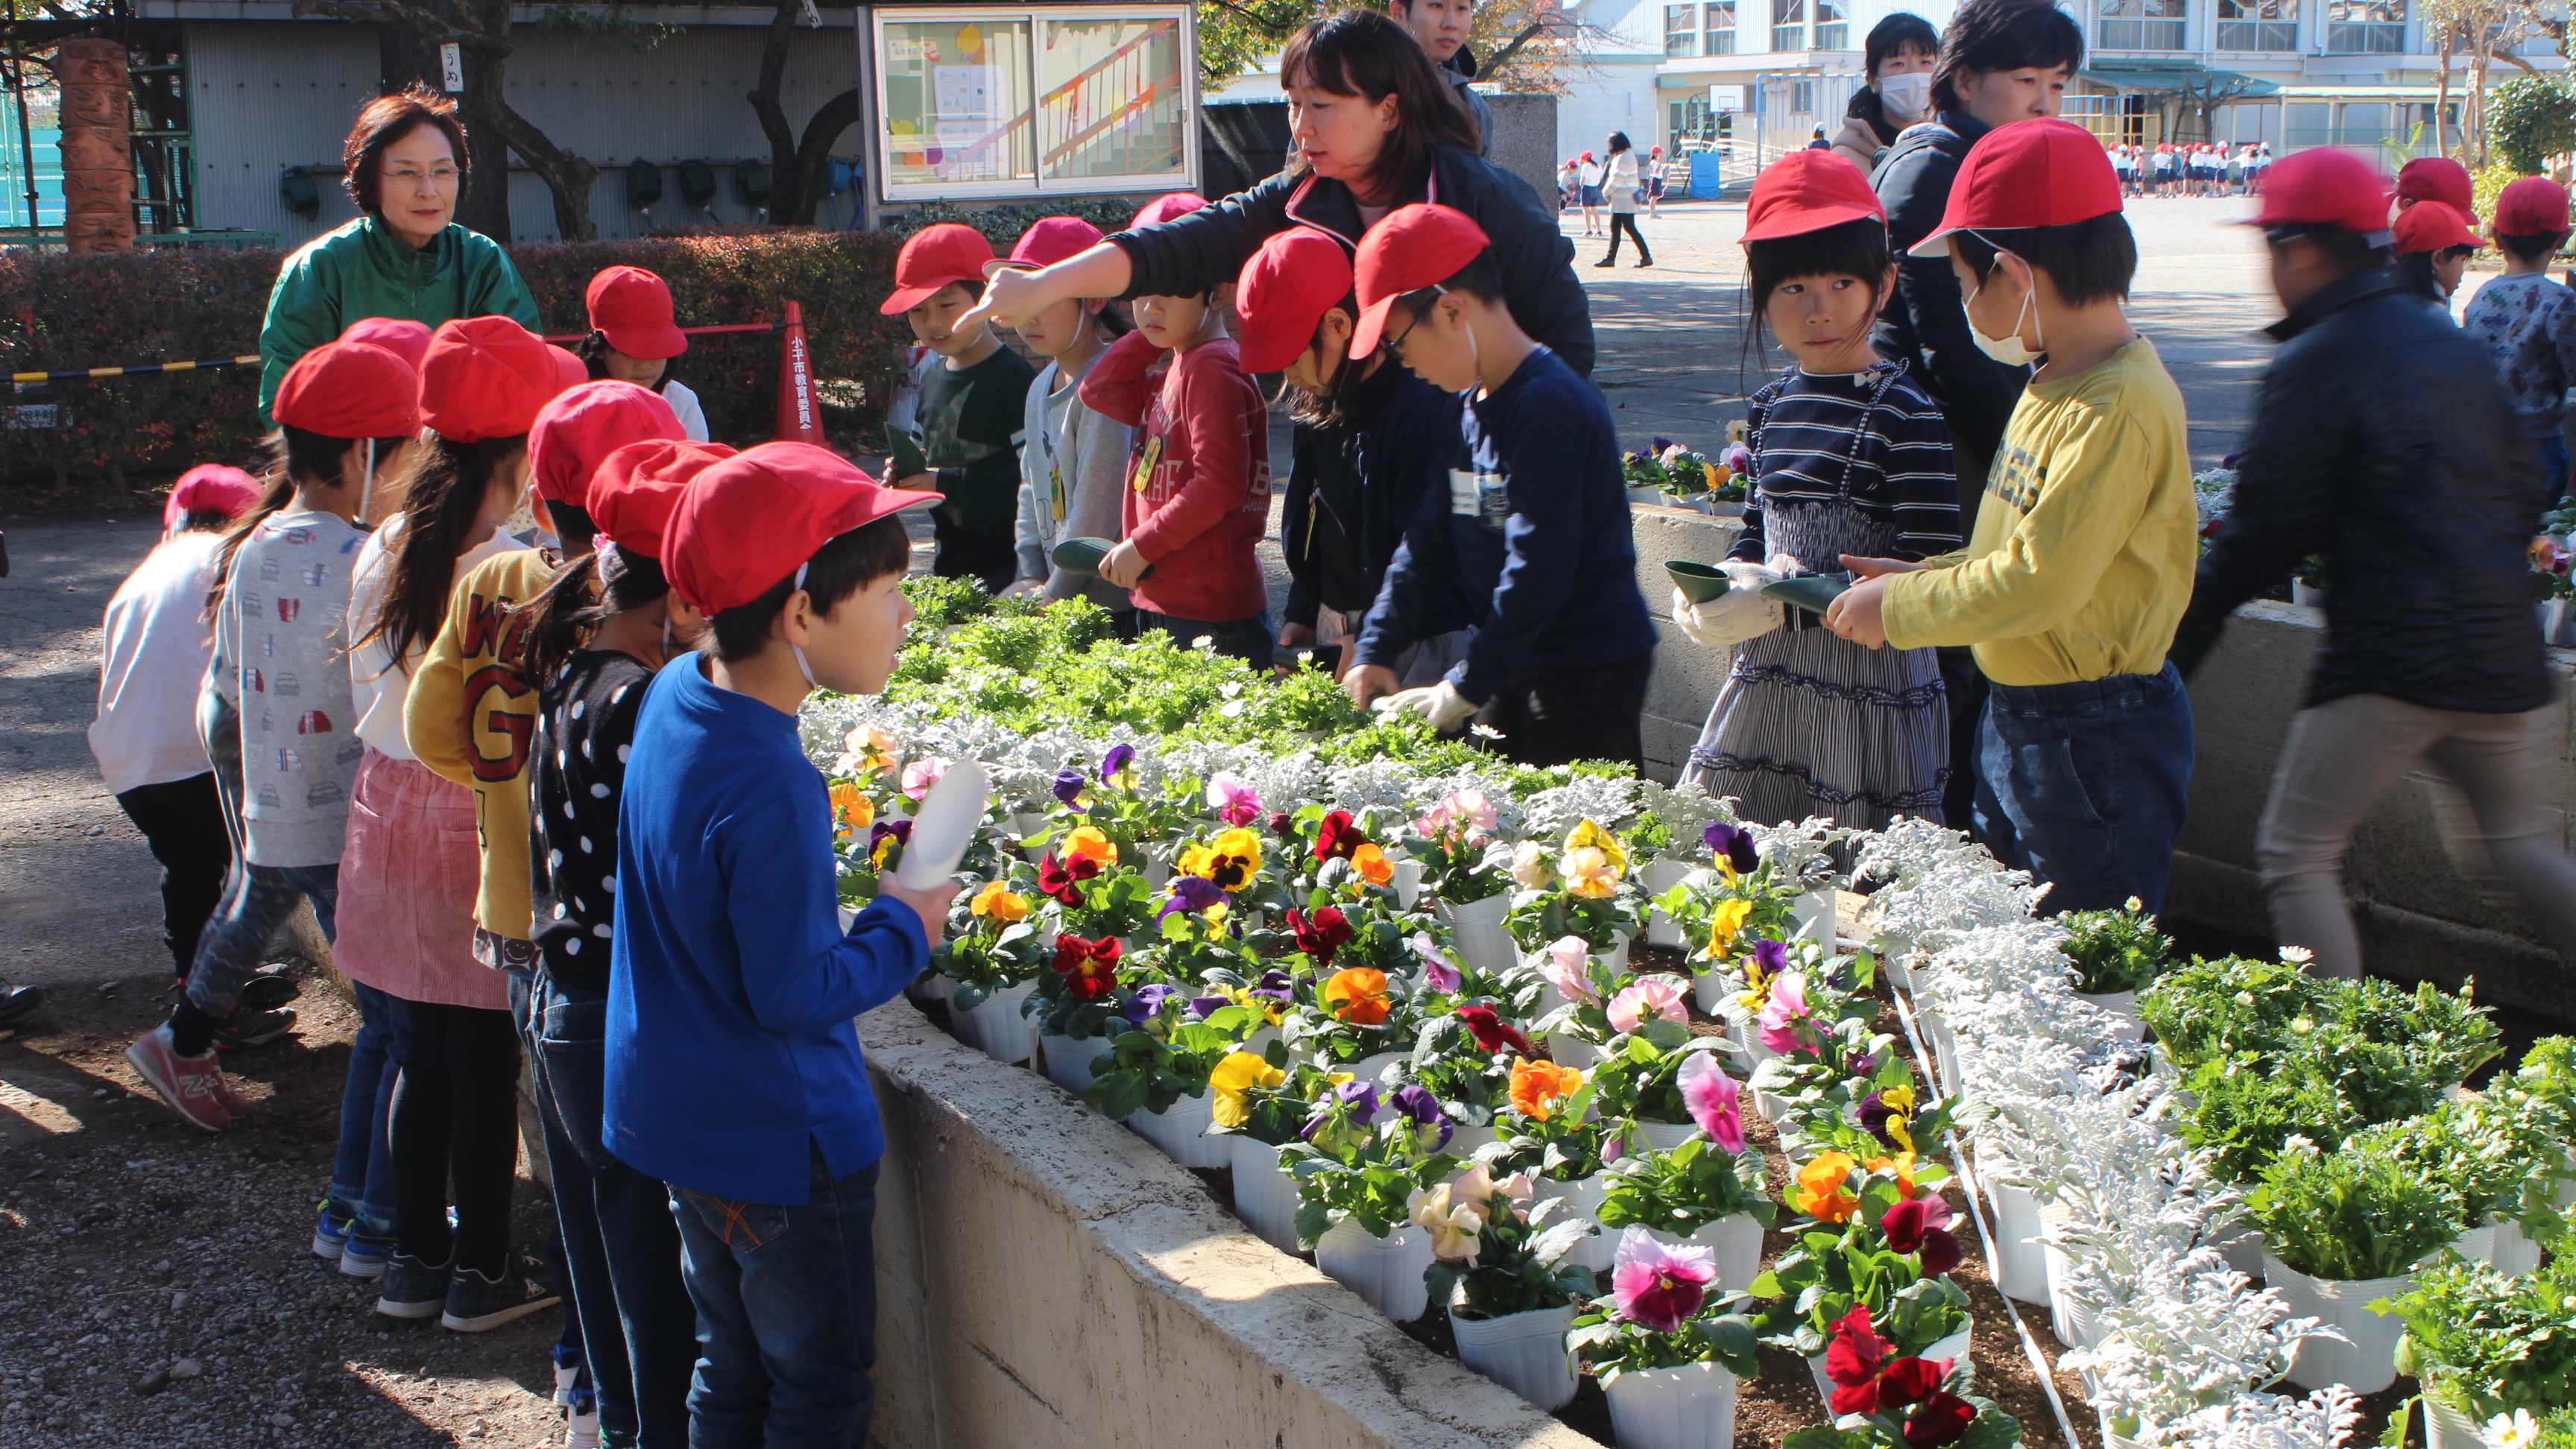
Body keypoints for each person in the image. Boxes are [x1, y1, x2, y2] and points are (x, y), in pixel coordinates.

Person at [609, 443, 954, 1449]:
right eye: (889, 589)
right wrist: (905, 923)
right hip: (781, 1144)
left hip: (681, 1120)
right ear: (801, 613)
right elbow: (794, 992)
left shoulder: (678, 691)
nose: (904, 614)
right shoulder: (773, 782)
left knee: (732, 1365)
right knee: (819, 1389)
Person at [2171, 147, 2576, 980]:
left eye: (2272, 251)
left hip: (2394, 662)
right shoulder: (2443, 339)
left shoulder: (2320, 357)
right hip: (2505, 652)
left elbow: (2261, 536)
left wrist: (2168, 657)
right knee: (2523, 850)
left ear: (2301, 249)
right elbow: (2517, 486)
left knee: (2296, 854)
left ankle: (2331, 1064)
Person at [1825, 118, 2195, 912]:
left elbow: (2038, 582)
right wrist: (1927, 575)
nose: (1965, 303)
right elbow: (2018, 551)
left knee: (2090, 970)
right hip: (2028, 714)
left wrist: (1901, 608)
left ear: (2016, 273)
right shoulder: (2056, 379)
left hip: (2091, 733)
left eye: (1965, 282)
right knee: (2020, 944)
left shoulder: (2117, 405)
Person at [125, 338, 417, 1128]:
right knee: (396, 1025)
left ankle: (183, 1041)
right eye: (409, 455)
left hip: (282, 806)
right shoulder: (363, 559)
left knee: (260, 898)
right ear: (362, 454)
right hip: (339, 823)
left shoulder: (253, 546)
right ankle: (374, 1197)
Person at [970, 11, 1595, 377]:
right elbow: (1180, 245)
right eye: (1294, 105)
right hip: (1358, 469)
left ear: (1389, 109)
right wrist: (1046, 284)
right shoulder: (1303, 195)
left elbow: (1568, 351)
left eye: (1321, 105)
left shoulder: (1488, 203)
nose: (1302, 127)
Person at [516, 438, 727, 1449]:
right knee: (655, 1283)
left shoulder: (575, 673)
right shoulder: (645, 705)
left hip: (563, 1000)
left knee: (606, 1258)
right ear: (682, 601)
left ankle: (610, 1424)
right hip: (615, 1016)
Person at [382, 317, 588, 1329]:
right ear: (523, 448)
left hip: (390, 809)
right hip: (481, 827)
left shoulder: (391, 540)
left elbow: (407, 712)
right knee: (485, 1065)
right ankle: (485, 1272)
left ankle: (409, 1257)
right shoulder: (517, 568)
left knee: (420, 1054)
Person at [1671, 151, 1960, 830]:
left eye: (1841, 282)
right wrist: (1719, 583)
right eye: (1793, 288)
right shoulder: (1771, 406)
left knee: (1850, 873)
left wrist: (1780, 607)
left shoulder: (1907, 413)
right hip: (1769, 676)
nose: (1819, 308)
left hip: (1866, 689)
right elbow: (1756, 530)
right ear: (1762, 293)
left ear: (1884, 285)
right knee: (1737, 860)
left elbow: (1932, 576)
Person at [1342, 205, 1658, 769]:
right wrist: (1377, 645)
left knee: (1582, 846)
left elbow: (1540, 564)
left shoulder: (1547, 407)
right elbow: (1429, 538)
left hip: (1584, 671)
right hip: (1515, 656)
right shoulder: (1468, 407)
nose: (1401, 362)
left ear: (1451, 309)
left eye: (1397, 341)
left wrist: (1465, 684)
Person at [1870, 0, 2081, 834]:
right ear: (1964, 81)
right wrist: (2031, 452)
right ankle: (1943, 839)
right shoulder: (1935, 169)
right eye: (2026, 80)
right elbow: (1950, 347)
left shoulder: (1974, 159)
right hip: (1936, 452)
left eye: (2059, 84)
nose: (2044, 102)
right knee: (1954, 663)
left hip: (1955, 441)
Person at [1246, 227, 1469, 685]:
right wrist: (1303, 611)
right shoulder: (1319, 400)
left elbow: (1430, 549)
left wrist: (1373, 638)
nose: (1290, 376)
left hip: (1412, 641)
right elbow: (1315, 523)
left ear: (1338, 324)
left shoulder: (1419, 408)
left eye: (1292, 357)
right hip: (1338, 631)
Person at [256, 87, 537, 426]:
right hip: (351, 469)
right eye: (407, 173)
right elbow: (286, 403)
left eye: (443, 171)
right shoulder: (320, 268)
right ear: (370, 182)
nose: (428, 190)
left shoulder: (483, 262)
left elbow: (524, 382)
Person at [91, 466, 259, 1003]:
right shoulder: (234, 556)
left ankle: (197, 988)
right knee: (258, 875)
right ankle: (216, 1003)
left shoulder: (143, 574)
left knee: (189, 868)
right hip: (198, 750)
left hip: (128, 759)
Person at [1080, 203, 1275, 667]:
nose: (1151, 307)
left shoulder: (1212, 367)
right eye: (1142, 293)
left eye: (1170, 291)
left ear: (1220, 291)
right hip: (1169, 593)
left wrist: (1143, 545)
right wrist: (1154, 333)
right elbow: (1099, 390)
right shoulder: (1181, 361)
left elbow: (1220, 484)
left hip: (1207, 609)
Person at [991, 217, 1138, 628]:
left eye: (1045, 300)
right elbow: (1031, 487)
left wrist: (1053, 593)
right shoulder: (1039, 385)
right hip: (1054, 599)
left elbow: (1099, 508)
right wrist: (1030, 575)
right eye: (1023, 301)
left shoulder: (1109, 382)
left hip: (1113, 612)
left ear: (1093, 301)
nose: (1029, 318)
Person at [880, 223, 1037, 594]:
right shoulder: (932, 379)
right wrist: (908, 471)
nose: (933, 322)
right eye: (918, 310)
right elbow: (932, 456)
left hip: (1012, 573)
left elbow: (1036, 486)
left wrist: (942, 482)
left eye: (947, 304)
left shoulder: (1014, 380)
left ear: (985, 297)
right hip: (949, 567)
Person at [2462, 176, 2576, 509]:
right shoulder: (2562, 301)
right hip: (2537, 450)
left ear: (2496, 237)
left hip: (2485, 446)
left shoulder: (2481, 296)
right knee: (2536, 543)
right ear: (2563, 238)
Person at [581, 265, 710, 443]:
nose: (644, 365)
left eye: (657, 349)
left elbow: (698, 465)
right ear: (599, 348)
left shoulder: (681, 403)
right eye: (629, 352)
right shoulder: (574, 405)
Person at [1833, 13, 1939, 174]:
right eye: (1898, 63)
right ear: (1873, 80)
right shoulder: (1846, 160)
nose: (1913, 74)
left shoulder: (1947, 144)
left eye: (1925, 62)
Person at [1391, 0, 1491, 153]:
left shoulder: (1473, 107)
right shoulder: (1364, 85)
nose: (1451, 23)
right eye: (1437, 5)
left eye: (1462, 8)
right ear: (1398, 12)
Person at [2393, 201, 2480, 314]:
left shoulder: (2382, 302)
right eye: (2462, 260)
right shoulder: (2436, 318)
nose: (2462, 272)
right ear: (2437, 259)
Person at [1600, 132, 1654, 268]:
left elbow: (1616, 178)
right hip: (1625, 198)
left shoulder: (1623, 157)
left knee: (1628, 228)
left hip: (1624, 198)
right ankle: (1611, 258)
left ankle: (1645, 257)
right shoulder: (1628, 155)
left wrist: (1606, 191)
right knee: (1618, 227)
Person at [1579, 150, 1605, 237]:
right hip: (1595, 188)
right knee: (1594, 209)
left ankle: (1588, 229)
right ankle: (1598, 230)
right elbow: (1601, 176)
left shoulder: (1586, 166)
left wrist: (1581, 184)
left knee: (1586, 210)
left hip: (1587, 188)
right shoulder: (1597, 165)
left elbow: (1583, 178)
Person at [1647, 145, 1667, 219]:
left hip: (1657, 179)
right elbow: (1656, 171)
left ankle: (1653, 212)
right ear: (1656, 154)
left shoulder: (1656, 162)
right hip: (1654, 179)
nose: (1661, 153)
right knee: (1654, 197)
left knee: (1655, 197)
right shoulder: (1654, 162)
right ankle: (1652, 213)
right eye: (1660, 152)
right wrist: (1659, 164)